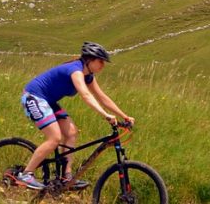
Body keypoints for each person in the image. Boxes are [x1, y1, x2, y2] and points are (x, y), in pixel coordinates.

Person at [14, 41, 134, 190]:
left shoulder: (88, 76)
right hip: (33, 96)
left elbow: (102, 97)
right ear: (89, 60)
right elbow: (85, 95)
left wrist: (124, 116)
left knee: (71, 132)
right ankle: (26, 174)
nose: (103, 65)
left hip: (48, 101)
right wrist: (105, 115)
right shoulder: (75, 70)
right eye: (100, 61)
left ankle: (66, 177)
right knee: (55, 138)